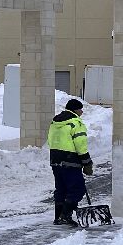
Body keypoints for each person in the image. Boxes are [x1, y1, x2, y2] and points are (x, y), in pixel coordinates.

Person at [48, 97, 94, 227]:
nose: (82, 112)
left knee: (61, 188)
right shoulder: (75, 123)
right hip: (71, 160)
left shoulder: (55, 122)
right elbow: (81, 145)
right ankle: (65, 216)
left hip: (55, 159)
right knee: (77, 188)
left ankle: (58, 217)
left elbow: (50, 140)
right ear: (75, 110)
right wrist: (87, 162)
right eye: (80, 109)